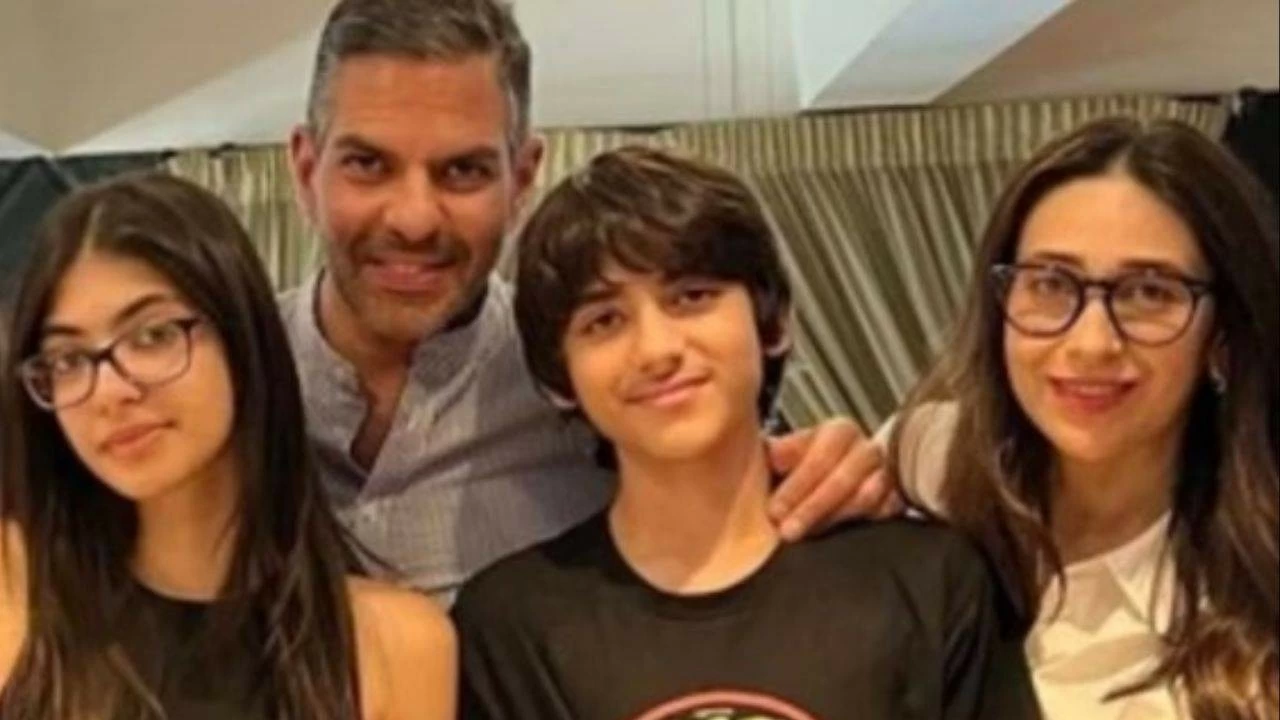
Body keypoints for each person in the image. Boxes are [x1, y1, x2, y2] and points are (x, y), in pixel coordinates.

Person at [281, 0, 894, 603]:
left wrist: (844, 477)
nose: (414, 220)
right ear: (307, 171)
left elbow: (769, 486)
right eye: (367, 164)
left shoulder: (598, 380)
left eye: (463, 171)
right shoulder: (233, 377)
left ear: (523, 179)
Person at [452, 146, 1040, 720]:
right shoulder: (511, 628)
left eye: (692, 296)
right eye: (604, 320)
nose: (656, 350)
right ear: (558, 378)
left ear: (774, 320)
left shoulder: (929, 580)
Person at [0, 173, 454, 719]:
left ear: (242, 338)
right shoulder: (18, 595)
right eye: (68, 360)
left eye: (152, 335)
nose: (109, 391)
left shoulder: (392, 642)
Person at [888, 118, 1279, 719]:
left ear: (1221, 336)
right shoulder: (923, 462)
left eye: (1150, 292)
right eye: (1050, 282)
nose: (1092, 342)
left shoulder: (1255, 617)